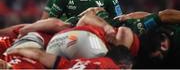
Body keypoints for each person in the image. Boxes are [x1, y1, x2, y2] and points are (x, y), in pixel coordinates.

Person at [0, 45, 133, 69]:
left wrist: (15, 50)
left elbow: (39, 54)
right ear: (122, 67)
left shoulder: (75, 62)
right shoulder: (111, 68)